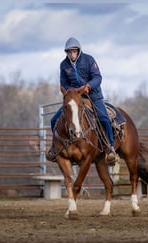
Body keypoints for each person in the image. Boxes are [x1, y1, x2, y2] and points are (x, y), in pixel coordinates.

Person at [46, 37, 117, 165]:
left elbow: (97, 77)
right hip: (75, 97)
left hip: (93, 95)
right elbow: (64, 83)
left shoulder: (89, 60)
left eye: (74, 51)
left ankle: (110, 147)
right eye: (69, 52)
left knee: (104, 118)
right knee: (53, 120)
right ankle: (55, 148)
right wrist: (71, 91)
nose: (72, 54)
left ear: (78, 51)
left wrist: (88, 86)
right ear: (66, 53)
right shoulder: (64, 65)